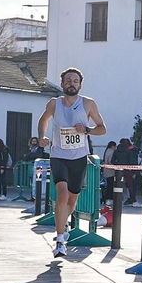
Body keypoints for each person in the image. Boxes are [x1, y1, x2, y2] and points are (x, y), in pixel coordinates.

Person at [37, 67, 108, 258]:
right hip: (59, 156)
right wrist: (42, 137)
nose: (71, 83)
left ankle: (63, 223)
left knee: (71, 201)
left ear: (80, 85)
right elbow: (43, 120)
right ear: (61, 84)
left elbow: (102, 129)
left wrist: (86, 129)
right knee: (61, 195)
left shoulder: (88, 104)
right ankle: (60, 241)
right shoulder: (54, 103)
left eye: (75, 81)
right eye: (68, 80)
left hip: (79, 158)